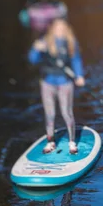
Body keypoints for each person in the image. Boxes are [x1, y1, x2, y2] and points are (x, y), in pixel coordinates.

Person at [28, 18, 85, 154]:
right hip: (48, 82)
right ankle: (50, 142)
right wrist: (36, 50)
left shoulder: (71, 43)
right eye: (57, 28)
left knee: (66, 112)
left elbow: (76, 60)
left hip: (65, 82)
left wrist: (79, 75)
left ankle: (72, 142)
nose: (60, 31)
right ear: (52, 30)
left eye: (63, 28)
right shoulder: (45, 42)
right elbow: (33, 59)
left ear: (67, 30)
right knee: (50, 114)